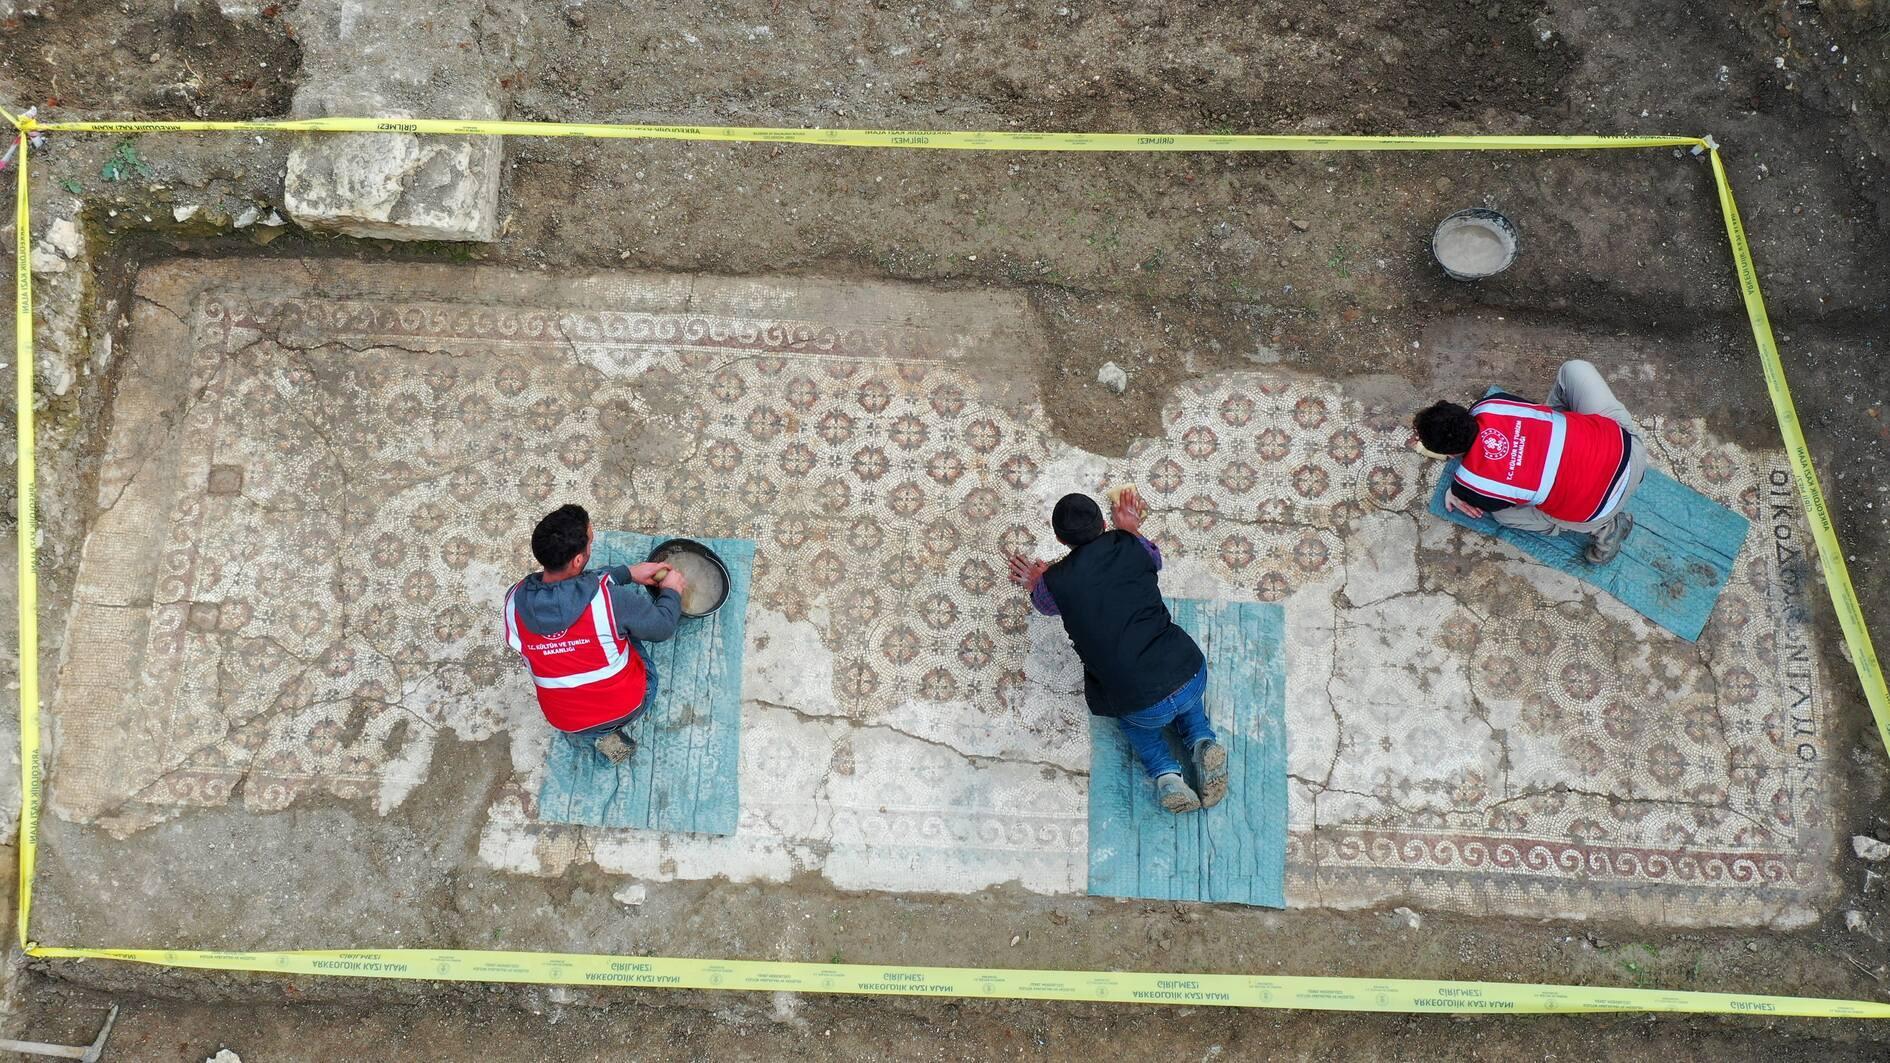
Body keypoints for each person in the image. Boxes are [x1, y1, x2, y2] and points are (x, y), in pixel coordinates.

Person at [1006, 489, 1229, 814]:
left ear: (1059, 539)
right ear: (1103, 522)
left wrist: (1038, 580)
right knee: (1188, 702)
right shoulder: (1129, 544)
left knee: (1138, 729)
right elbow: (1155, 559)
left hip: (1139, 702)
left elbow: (1044, 604)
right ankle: (1202, 742)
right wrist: (1131, 529)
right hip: (1188, 671)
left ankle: (1168, 777)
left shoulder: (1055, 583)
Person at [1415, 359, 1647, 565]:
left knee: (1504, 516)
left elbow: (1490, 497)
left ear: (1451, 454)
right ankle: (1563, 427)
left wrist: (1455, 493)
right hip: (1630, 453)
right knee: (1573, 369)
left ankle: (1607, 529)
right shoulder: (1491, 404)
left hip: (1602, 507)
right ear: (1464, 412)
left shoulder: (1470, 484)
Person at [503, 503, 687, 762]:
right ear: (579, 560)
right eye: (591, 540)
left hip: (565, 720)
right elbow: (662, 627)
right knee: (625, 630)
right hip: (628, 706)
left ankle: (599, 733)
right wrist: (671, 590)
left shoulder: (514, 601)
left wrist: (627, 573)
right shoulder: (611, 602)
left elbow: (570, 588)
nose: (594, 541)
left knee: (606, 634)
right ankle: (612, 726)